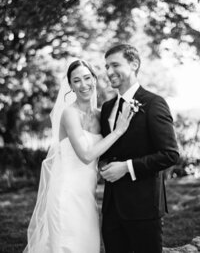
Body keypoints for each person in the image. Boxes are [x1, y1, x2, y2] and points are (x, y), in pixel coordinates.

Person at [23, 59, 133, 253]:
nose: (84, 85)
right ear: (71, 86)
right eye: (77, 81)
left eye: (87, 78)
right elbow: (86, 155)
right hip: (66, 194)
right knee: (67, 246)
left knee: (88, 246)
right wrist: (118, 131)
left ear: (94, 79)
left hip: (87, 195)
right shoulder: (69, 114)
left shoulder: (101, 116)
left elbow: (104, 153)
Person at [99, 44, 179, 253]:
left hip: (143, 208)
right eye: (106, 66)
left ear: (134, 64)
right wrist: (104, 163)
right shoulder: (107, 107)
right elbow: (109, 150)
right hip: (111, 207)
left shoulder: (153, 103)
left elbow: (170, 154)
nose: (108, 72)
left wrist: (126, 167)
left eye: (115, 65)